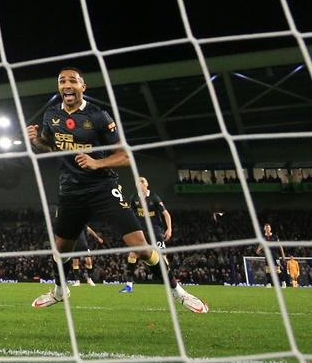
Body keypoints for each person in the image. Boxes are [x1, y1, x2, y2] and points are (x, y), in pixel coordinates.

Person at [26, 67, 207, 313]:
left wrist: (96, 162)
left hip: (102, 186)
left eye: (72, 81)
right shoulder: (51, 115)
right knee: (60, 249)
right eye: (62, 81)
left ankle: (179, 292)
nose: (67, 85)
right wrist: (35, 142)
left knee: (140, 246)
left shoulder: (98, 116)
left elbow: (125, 156)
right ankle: (59, 290)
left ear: (83, 87)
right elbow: (51, 148)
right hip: (70, 190)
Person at [122, 176, 172, 292]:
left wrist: (169, 229)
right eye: (138, 183)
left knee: (162, 256)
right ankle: (129, 285)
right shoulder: (134, 198)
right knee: (132, 255)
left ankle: (171, 284)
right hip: (141, 232)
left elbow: (166, 214)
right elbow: (131, 214)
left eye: (142, 182)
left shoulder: (154, 197)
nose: (140, 184)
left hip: (155, 231)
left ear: (146, 184)